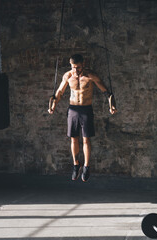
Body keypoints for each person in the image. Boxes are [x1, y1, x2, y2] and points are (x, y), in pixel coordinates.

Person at [48, 54, 117, 182]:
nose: (76, 70)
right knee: (73, 139)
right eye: (73, 67)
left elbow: (106, 91)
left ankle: (86, 166)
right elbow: (59, 92)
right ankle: (76, 164)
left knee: (86, 140)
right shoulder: (68, 76)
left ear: (83, 64)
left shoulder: (90, 76)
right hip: (73, 109)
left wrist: (111, 105)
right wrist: (53, 105)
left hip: (86, 109)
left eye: (78, 67)